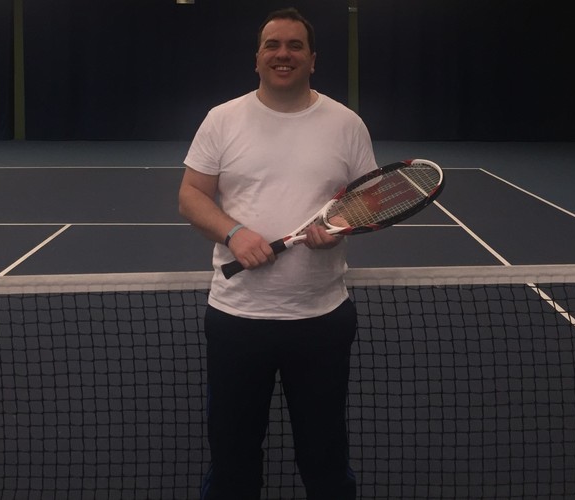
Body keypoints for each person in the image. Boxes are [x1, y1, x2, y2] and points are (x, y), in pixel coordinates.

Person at [178, 7, 377, 499]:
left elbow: (370, 201)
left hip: (322, 318)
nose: (282, 54)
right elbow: (190, 195)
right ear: (257, 58)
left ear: (313, 59)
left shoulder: (346, 124)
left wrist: (341, 225)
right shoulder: (222, 119)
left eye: (294, 46)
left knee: (325, 454)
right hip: (237, 318)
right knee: (232, 457)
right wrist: (234, 233)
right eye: (273, 45)